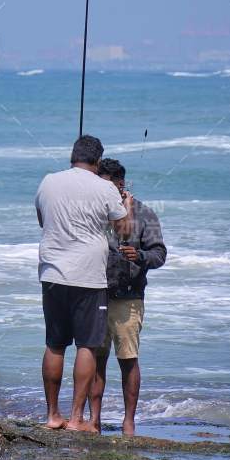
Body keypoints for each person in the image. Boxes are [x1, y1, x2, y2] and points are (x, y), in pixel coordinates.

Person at [34, 135, 131, 432]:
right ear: (98, 161)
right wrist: (125, 204)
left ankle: (52, 415)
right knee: (87, 345)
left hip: (52, 273)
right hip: (89, 276)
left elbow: (42, 220)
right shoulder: (104, 187)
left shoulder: (48, 181)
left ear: (72, 156)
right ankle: (77, 419)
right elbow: (123, 231)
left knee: (54, 344)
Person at [87, 158, 166, 436]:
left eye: (107, 185)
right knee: (95, 359)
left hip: (129, 296)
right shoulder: (93, 212)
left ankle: (129, 421)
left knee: (128, 359)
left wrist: (140, 256)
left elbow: (160, 254)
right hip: (95, 294)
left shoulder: (145, 214)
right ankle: (93, 420)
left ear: (121, 184)